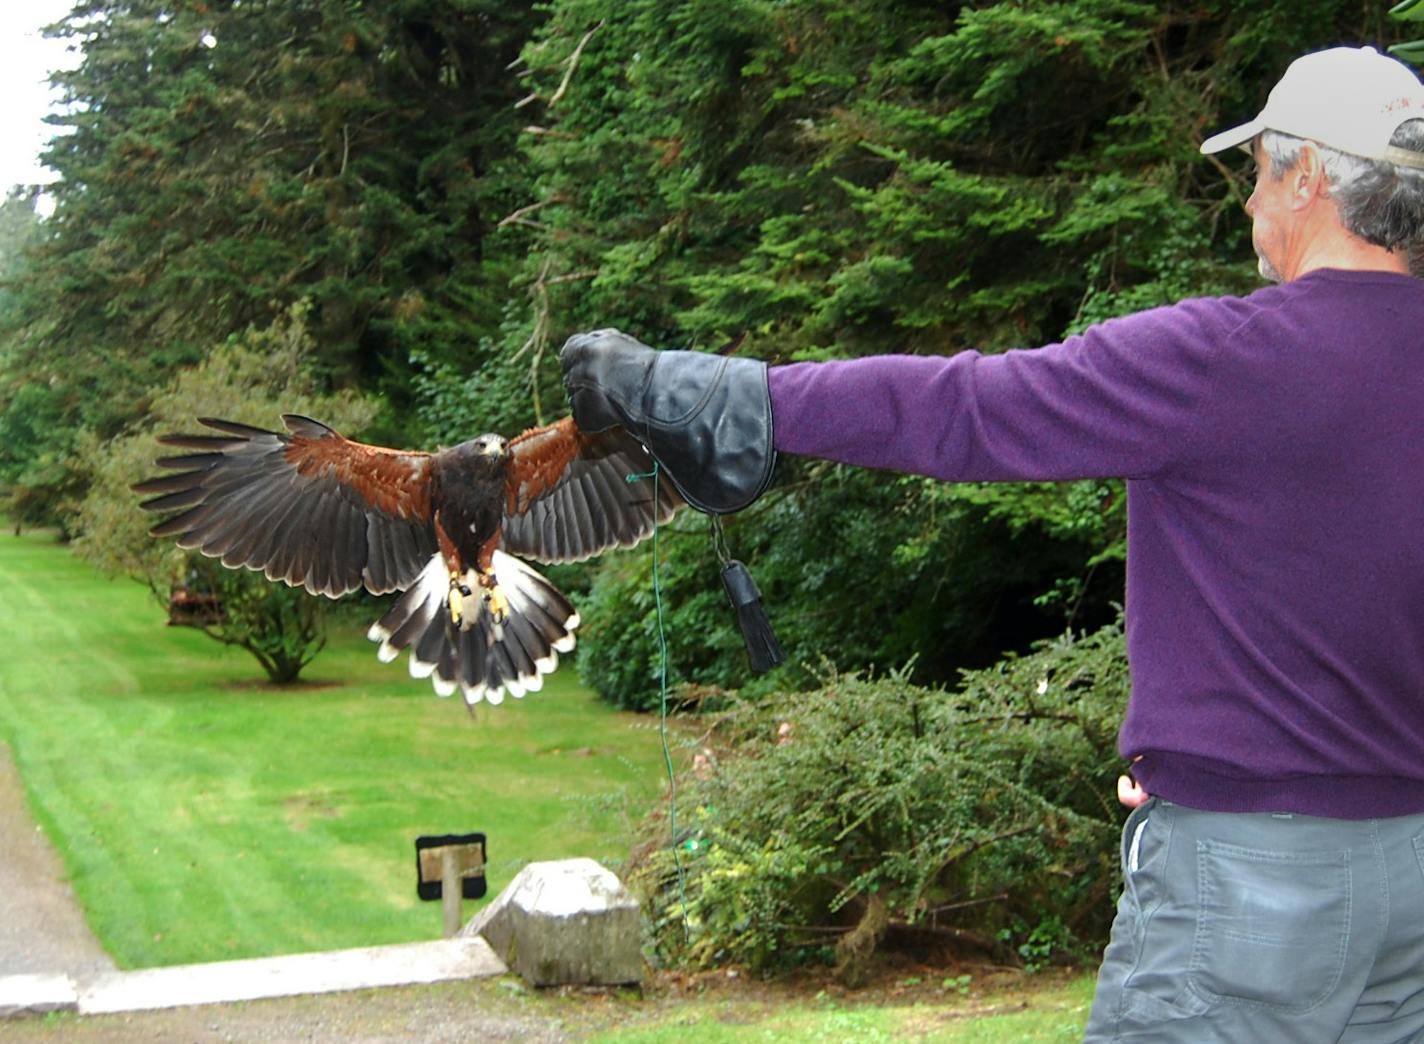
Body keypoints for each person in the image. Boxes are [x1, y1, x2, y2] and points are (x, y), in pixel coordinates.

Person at [561, 44, 1424, 1041]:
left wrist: (722, 394)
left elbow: (967, 407)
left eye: (1261, 167)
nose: (1245, 203)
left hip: (1244, 892)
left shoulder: (1225, 358)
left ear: (1310, 175)